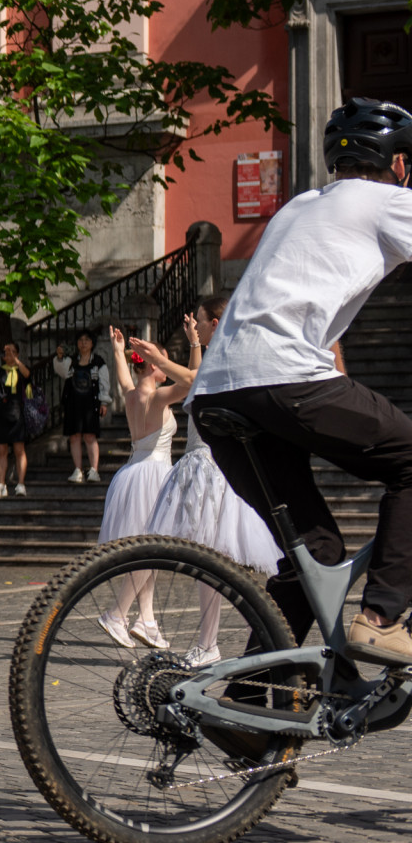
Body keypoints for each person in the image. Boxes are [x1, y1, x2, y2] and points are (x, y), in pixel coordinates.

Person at [191, 97, 412, 661]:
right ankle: (382, 615)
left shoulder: (297, 207)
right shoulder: (390, 200)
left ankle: (250, 700)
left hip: (218, 389)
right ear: (401, 165)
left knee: (314, 553)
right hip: (286, 378)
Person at [139, 302, 282, 666]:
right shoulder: (219, 353)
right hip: (204, 465)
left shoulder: (227, 356)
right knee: (213, 561)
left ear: (214, 323)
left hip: (212, 469)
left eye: (200, 322)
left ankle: (212, 642)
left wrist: (160, 359)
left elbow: (193, 381)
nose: (196, 326)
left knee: (215, 560)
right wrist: (193, 345)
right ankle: (210, 641)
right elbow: (196, 376)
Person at [93, 325, 186, 650]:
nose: (167, 366)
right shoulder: (159, 396)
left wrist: (118, 351)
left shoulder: (133, 394)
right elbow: (191, 381)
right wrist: (190, 345)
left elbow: (123, 380)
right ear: (152, 363)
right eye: (164, 361)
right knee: (152, 552)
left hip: (134, 472)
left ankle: (146, 620)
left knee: (150, 552)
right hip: (154, 475)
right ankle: (117, 614)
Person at [52, 330, 110, 483]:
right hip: (73, 403)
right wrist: (59, 357)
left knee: (90, 436)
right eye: (80, 340)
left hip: (91, 404)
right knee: (74, 436)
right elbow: (62, 371)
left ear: (92, 343)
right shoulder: (71, 361)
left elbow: (104, 383)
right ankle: (77, 470)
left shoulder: (98, 362)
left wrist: (104, 402)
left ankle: (94, 470)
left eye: (87, 340)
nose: (83, 343)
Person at [0, 342, 34, 497]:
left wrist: (16, 361)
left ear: (17, 354)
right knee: (2, 450)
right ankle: (1, 484)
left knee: (19, 450)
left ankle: (21, 484)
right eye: (6, 351)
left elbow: (28, 375)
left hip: (17, 412)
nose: (8, 354)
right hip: (2, 411)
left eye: (12, 351)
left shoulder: (20, 369)